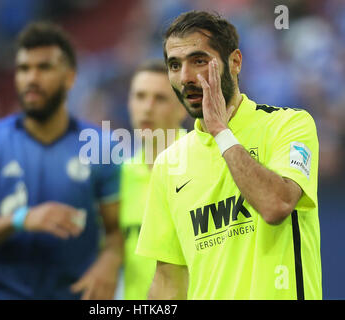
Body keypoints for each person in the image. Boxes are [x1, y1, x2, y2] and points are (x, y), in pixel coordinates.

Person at [136, 10, 322, 300]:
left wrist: (221, 132)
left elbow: (276, 204)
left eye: (198, 61)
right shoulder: (169, 164)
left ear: (234, 62)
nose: (185, 77)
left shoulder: (288, 125)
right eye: (174, 65)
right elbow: (167, 282)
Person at [0, 22, 123, 300]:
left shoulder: (101, 145)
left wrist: (110, 263)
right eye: (23, 68)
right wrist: (21, 219)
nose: (31, 78)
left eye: (44, 68)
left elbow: (116, 232)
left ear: (69, 77)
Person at [119, 60, 186, 300]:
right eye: (139, 96)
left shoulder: (206, 163)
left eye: (160, 98)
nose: (147, 108)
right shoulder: (119, 178)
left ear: (182, 107)